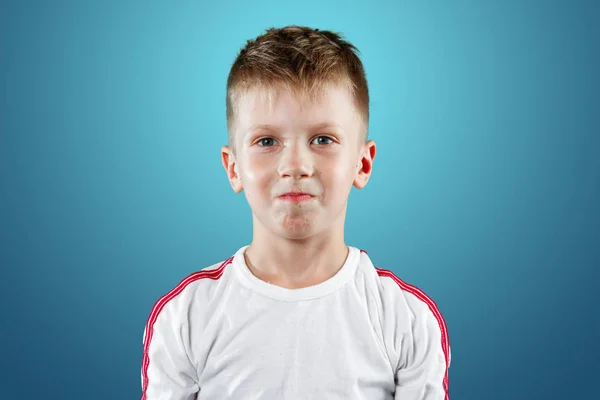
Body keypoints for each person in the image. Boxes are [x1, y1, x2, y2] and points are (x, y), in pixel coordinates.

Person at [140, 25, 450, 400]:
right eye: (266, 141)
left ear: (362, 164)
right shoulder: (186, 317)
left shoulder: (406, 320)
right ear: (233, 167)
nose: (295, 164)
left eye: (323, 139)